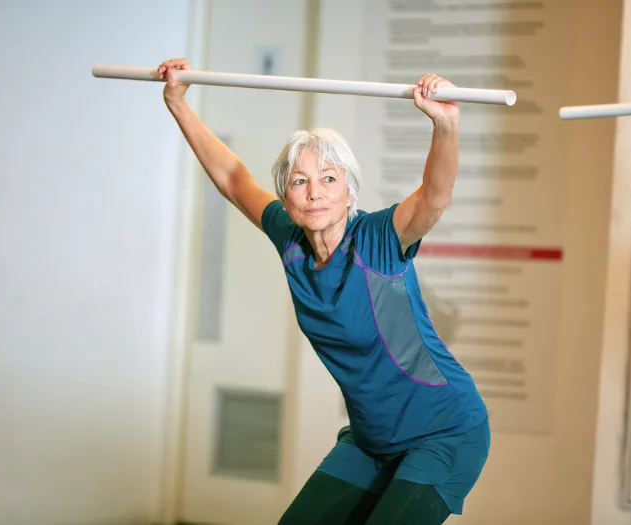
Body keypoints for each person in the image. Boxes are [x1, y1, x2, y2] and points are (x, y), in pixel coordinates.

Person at [158, 58, 490, 525]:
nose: (314, 193)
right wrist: (178, 103)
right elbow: (234, 180)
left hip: (445, 431)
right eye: (300, 181)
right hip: (373, 439)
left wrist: (446, 124)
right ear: (287, 196)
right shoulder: (289, 238)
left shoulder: (379, 239)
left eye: (328, 179)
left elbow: (434, 197)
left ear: (350, 193)